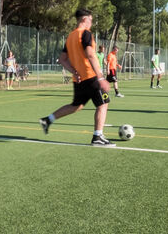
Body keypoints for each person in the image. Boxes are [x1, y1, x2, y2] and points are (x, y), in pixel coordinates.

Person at [39, 8, 115, 147]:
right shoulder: (85, 34)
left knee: (77, 105)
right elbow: (90, 54)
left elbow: (62, 59)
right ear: (85, 19)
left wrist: (74, 72)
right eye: (91, 20)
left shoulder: (71, 36)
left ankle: (48, 120)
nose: (91, 23)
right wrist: (100, 77)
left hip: (79, 79)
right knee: (103, 104)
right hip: (91, 76)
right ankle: (98, 136)